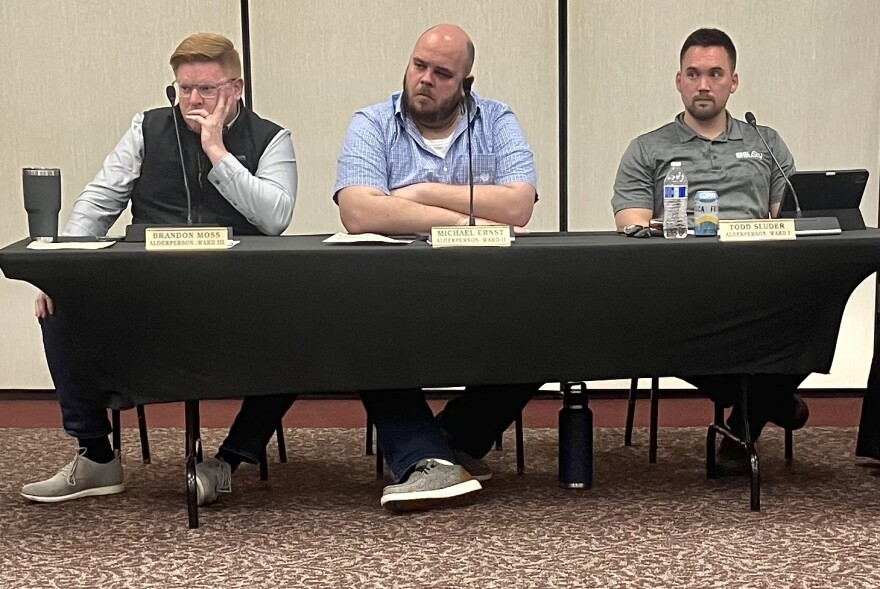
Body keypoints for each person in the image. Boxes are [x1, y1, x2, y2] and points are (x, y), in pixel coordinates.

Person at [21, 33, 299, 506]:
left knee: (301, 327)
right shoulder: (147, 128)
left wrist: (217, 151)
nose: (193, 101)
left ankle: (228, 461)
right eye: (184, 89)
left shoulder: (271, 138)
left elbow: (275, 217)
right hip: (148, 295)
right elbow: (100, 199)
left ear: (236, 88)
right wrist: (61, 266)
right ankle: (96, 457)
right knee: (59, 308)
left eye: (207, 89)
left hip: (237, 298)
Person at [335, 24, 540, 511]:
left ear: (466, 83)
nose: (424, 79)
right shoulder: (372, 122)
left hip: (485, 292)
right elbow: (358, 211)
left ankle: (446, 444)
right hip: (395, 295)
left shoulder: (496, 120)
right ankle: (427, 459)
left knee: (544, 323)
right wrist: (466, 218)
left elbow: (518, 205)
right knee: (357, 323)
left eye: (442, 73)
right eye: (418, 65)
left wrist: (420, 191)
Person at [610, 28, 809, 473]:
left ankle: (744, 422)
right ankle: (770, 400)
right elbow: (631, 224)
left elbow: (792, 218)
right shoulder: (648, 147)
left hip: (759, 282)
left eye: (715, 74)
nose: (704, 85)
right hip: (681, 287)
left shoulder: (765, 143)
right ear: (678, 81)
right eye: (694, 74)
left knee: (815, 310)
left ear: (733, 82)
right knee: (650, 324)